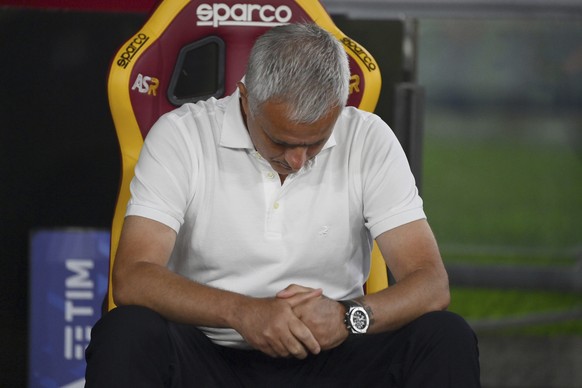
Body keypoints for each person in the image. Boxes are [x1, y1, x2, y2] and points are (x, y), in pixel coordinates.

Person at [85, 23, 480, 387]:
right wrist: (243, 313)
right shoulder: (182, 136)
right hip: (209, 356)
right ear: (245, 97)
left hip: (334, 357)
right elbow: (133, 276)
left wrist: (349, 317)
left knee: (445, 336)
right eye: (281, 141)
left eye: (315, 142)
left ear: (339, 109)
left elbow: (430, 283)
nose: (297, 160)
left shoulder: (368, 138)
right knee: (126, 332)